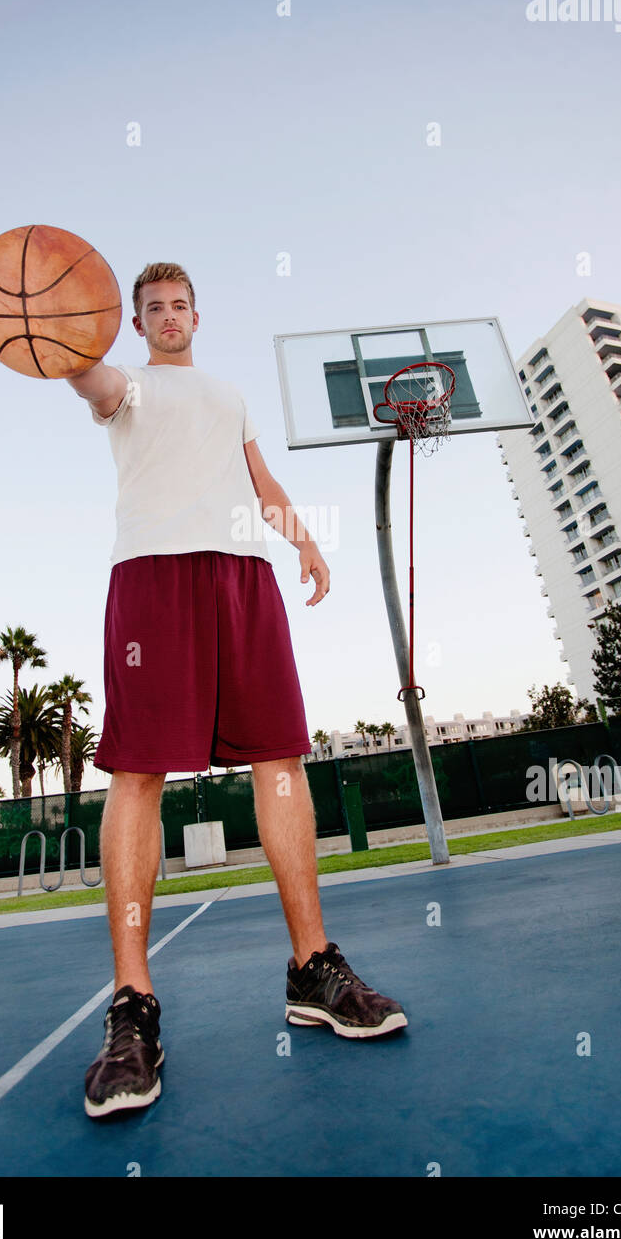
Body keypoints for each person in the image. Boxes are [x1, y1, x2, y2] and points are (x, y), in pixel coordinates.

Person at [68, 262, 407, 1118]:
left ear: (196, 315)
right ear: (138, 324)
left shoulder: (229, 393)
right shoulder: (130, 386)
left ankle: (311, 967)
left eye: (181, 304)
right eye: (154, 309)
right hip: (151, 575)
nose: (169, 316)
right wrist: (65, 347)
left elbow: (262, 482)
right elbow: (91, 380)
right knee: (139, 772)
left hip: (243, 578)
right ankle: (132, 1006)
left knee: (281, 760)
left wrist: (305, 542)